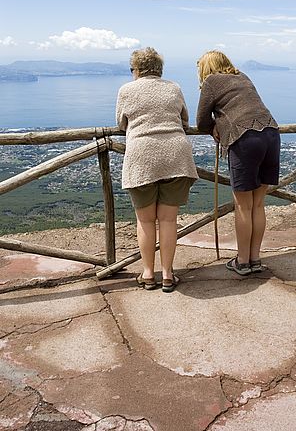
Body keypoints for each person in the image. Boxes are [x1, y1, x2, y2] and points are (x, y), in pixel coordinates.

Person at [116, 47, 198, 292]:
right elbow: (184, 119)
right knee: (168, 220)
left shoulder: (126, 90)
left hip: (142, 157)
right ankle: (168, 276)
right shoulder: (173, 87)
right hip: (176, 154)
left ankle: (148, 274)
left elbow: (121, 122)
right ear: (159, 69)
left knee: (145, 220)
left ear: (137, 70)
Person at [196, 50, 280, 275]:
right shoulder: (242, 76)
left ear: (205, 68)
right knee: (258, 204)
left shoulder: (212, 81)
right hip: (271, 133)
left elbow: (201, 121)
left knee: (243, 205)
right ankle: (254, 259)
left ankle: (242, 262)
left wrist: (214, 126)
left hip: (246, 139)